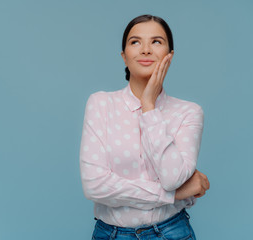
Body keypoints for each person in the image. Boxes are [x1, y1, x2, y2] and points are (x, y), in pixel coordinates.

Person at [79, 14, 210, 240]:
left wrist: (149, 107)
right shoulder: (100, 104)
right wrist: (173, 195)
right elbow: (94, 185)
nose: (146, 50)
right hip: (110, 234)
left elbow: (172, 177)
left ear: (170, 56)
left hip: (171, 232)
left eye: (156, 41)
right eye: (135, 42)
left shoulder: (189, 112)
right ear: (124, 56)